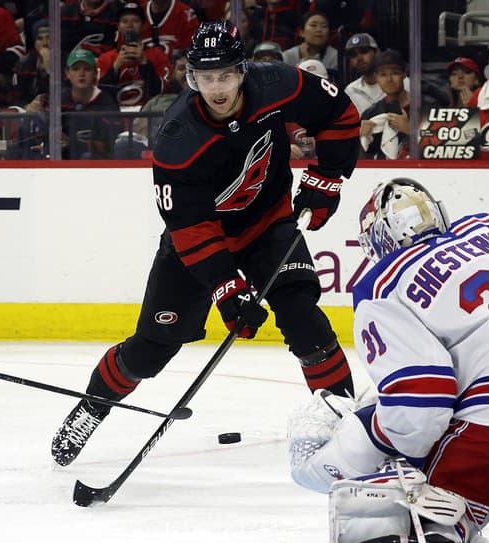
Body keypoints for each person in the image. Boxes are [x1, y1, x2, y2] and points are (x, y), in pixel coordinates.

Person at [50, 19, 360, 467]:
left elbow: (338, 113)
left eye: (226, 76)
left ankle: (349, 426)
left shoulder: (277, 83)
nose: (216, 89)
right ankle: (93, 406)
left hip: (269, 226)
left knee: (304, 319)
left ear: (243, 70)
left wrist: (329, 175)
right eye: (206, 78)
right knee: (151, 349)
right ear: (191, 77)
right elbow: (191, 228)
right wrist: (227, 289)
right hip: (195, 247)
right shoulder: (177, 139)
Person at [287, 178, 489, 543]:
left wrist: (373, 435)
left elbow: (421, 402)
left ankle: (445, 523)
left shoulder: (381, 286)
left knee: (411, 510)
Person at [359, 49, 437, 160]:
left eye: (395, 73)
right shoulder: (370, 114)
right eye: (383, 74)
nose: (389, 79)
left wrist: (410, 130)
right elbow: (359, 163)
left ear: (404, 73)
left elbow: (440, 148)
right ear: (376, 77)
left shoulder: (427, 107)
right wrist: (358, 137)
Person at [97, 2, 173, 109]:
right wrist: (116, 67)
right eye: (124, 21)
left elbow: (160, 92)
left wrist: (144, 63)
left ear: (143, 26)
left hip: (148, 115)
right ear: (118, 26)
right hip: (114, 117)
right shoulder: (105, 59)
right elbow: (100, 96)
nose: (130, 25)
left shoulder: (157, 55)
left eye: (135, 21)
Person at [60, 47, 119, 159]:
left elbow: (111, 144)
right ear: (67, 73)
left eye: (87, 69)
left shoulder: (107, 103)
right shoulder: (59, 100)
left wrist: (73, 144)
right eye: (76, 69)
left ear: (95, 73)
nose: (81, 74)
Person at [282, 11, 337, 77]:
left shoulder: (335, 56)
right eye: (313, 25)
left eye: (324, 26)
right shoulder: (288, 56)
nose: (319, 30)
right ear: (301, 32)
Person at [343, 32, 382, 116]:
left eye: (364, 51)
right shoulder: (350, 91)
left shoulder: (400, 83)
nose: (359, 58)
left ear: (377, 52)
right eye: (353, 55)